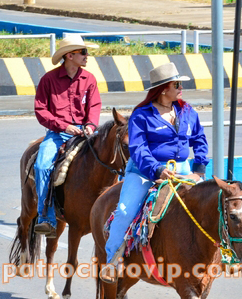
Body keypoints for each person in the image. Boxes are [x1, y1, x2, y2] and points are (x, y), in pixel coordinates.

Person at [99, 62, 208, 283]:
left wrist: (198, 171)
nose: (181, 88)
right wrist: (157, 169)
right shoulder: (141, 115)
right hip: (144, 171)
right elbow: (138, 149)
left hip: (182, 169)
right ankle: (112, 262)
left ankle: (220, 252)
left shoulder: (188, 112)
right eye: (176, 84)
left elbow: (199, 139)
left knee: (210, 204)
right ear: (163, 89)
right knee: (125, 211)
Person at [33, 34, 102, 236]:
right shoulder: (48, 80)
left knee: (114, 160)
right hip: (58, 133)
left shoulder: (89, 79)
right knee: (42, 165)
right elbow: (41, 111)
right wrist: (64, 126)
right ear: (70, 56)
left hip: (86, 132)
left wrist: (90, 125)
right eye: (83, 52)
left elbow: (94, 106)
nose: (87, 56)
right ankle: (46, 218)